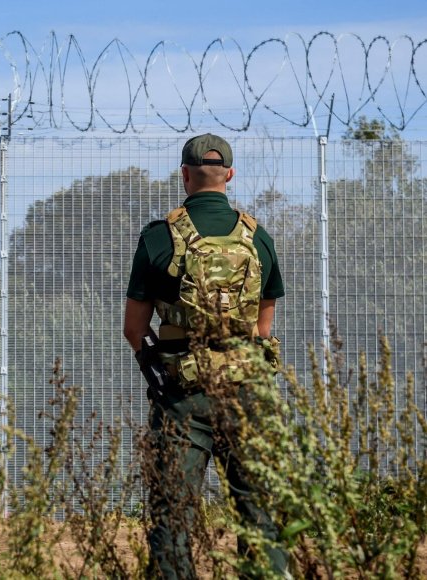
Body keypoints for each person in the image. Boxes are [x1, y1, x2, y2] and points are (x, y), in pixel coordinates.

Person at [123, 134, 289, 578]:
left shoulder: (160, 237)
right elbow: (262, 327)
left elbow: (134, 329)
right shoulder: (259, 237)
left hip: (183, 394)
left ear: (184, 175)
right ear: (229, 176)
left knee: (173, 515)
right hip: (247, 393)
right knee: (259, 514)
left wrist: (153, 367)